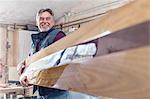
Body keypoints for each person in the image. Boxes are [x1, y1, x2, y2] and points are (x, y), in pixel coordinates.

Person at [17, 8, 68, 99]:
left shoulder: (58, 36)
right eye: (41, 19)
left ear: (53, 22)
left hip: (56, 92)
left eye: (47, 19)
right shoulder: (36, 41)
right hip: (41, 90)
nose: (44, 21)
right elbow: (32, 60)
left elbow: (58, 60)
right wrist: (23, 63)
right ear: (37, 23)